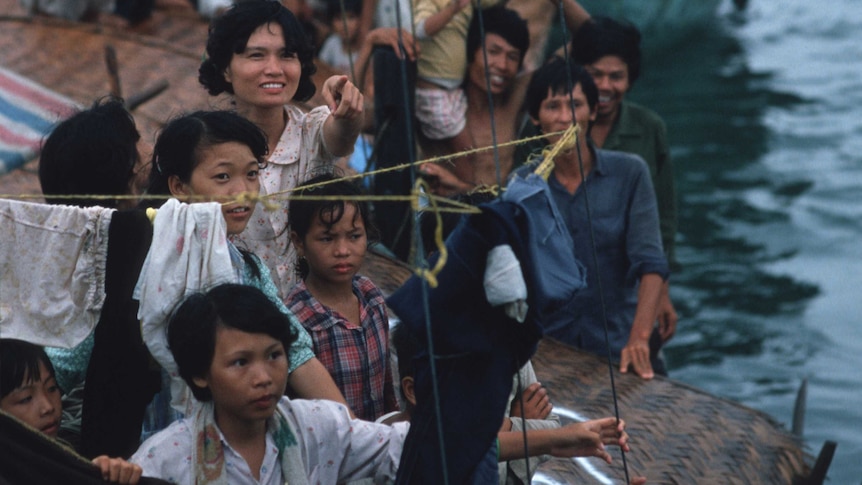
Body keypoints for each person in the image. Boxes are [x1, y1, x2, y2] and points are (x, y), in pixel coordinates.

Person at [141, 110, 351, 410]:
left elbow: (296, 351)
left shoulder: (247, 268)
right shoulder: (143, 257)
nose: (243, 193)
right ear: (179, 186)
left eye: (252, 174)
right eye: (223, 177)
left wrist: (351, 429)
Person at [130, 284, 408, 484]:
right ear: (199, 373)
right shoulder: (163, 461)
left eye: (274, 355)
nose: (264, 377)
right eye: (241, 362)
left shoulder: (318, 427)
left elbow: (404, 447)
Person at [512, 57, 669, 379]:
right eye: (552, 107)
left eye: (576, 105)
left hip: (617, 343)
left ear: (592, 112)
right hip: (548, 351)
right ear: (535, 119)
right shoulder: (522, 186)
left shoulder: (630, 172)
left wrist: (639, 339)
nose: (564, 119)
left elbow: (651, 261)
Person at [199, 0, 365, 301]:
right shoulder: (207, 148)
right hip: (241, 316)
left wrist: (346, 107)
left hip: (313, 313)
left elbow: (341, 133)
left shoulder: (313, 131)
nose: (274, 69)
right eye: (256, 56)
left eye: (287, 55)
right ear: (225, 68)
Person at [386, 325, 644, 485]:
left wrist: (554, 437)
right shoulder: (392, 448)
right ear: (413, 390)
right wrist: (552, 437)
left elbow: (489, 446)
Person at [37, 96, 151, 451]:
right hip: (115, 432)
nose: (148, 145)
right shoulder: (115, 251)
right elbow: (66, 363)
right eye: (138, 137)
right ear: (127, 167)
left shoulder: (67, 242)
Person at [571, 16, 679, 346]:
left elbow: (664, 221)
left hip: (630, 287)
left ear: (630, 79)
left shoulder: (649, 128)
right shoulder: (553, 127)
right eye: (595, 75)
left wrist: (661, 292)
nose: (604, 87)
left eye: (616, 77)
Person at [419, 2, 591, 195]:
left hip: (500, 217)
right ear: (471, 53)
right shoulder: (437, 101)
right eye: (492, 52)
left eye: (512, 57)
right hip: (440, 217)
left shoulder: (516, 96)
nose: (502, 65)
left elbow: (589, 36)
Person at [284, 173, 397, 422]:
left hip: (380, 445)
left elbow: (387, 386)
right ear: (299, 242)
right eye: (327, 238)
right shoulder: (296, 319)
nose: (343, 251)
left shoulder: (371, 297)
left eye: (354, 236)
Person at [0, 339, 144, 484]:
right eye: (25, 399)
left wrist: (98, 472)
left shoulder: (60, 453)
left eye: (51, 388)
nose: (48, 407)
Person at [411, 0, 502, 166]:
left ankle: (451, 185)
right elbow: (420, 29)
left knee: (452, 152)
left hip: (452, 90)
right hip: (434, 92)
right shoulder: (432, 2)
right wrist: (452, 9)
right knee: (467, 152)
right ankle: (464, 190)